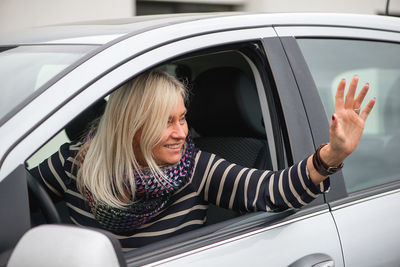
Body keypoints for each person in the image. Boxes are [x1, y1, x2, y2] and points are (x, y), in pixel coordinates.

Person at [29, 69, 375, 250]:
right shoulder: (77, 161)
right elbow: (18, 200)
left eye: (183, 117)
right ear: (131, 127)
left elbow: (273, 190)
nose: (182, 132)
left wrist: (332, 155)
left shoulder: (195, 169)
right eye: (167, 122)